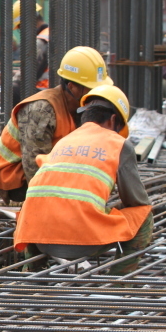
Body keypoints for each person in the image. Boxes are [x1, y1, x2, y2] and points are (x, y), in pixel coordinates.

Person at [13, 84, 152, 275]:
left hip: (35, 237)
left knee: (37, 204)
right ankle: (119, 284)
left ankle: (32, 271)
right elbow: (137, 201)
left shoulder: (64, 141)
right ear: (113, 120)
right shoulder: (119, 144)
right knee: (144, 214)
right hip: (81, 242)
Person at [0, 46, 112, 203]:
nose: (97, 95)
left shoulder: (80, 108)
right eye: (92, 89)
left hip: (54, 172)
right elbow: (35, 167)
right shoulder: (41, 110)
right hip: (15, 181)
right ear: (72, 87)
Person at [11, 1, 50, 96]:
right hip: (54, 89)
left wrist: (7, 80)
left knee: (13, 89)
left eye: (20, 27)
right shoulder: (49, 33)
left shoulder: (39, 42)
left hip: (44, 91)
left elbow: (25, 77)